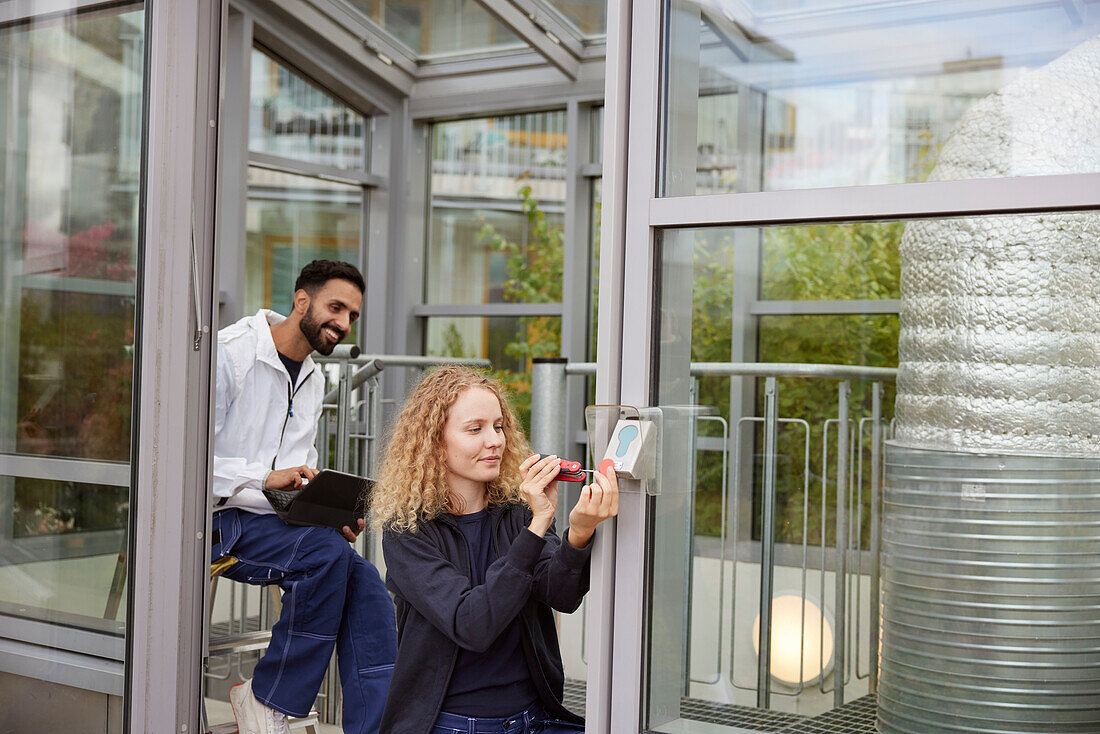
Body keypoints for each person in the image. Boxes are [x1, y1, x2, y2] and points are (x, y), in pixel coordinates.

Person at [371, 366, 618, 734]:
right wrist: (537, 526)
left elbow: (560, 594)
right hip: (453, 725)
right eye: (475, 429)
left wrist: (579, 532)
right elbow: (473, 625)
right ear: (434, 442)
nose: (495, 441)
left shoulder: (516, 510)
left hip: (537, 716)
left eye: (498, 426)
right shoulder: (407, 532)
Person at [212, 260, 397, 734]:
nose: (343, 323)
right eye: (336, 308)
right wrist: (264, 479)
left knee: (368, 585)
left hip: (275, 524)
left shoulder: (313, 378)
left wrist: (326, 510)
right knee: (325, 556)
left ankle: (374, 727)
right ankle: (268, 699)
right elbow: (185, 463)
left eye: (352, 315)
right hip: (216, 520)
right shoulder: (230, 355)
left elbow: (298, 468)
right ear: (301, 301)